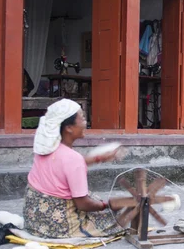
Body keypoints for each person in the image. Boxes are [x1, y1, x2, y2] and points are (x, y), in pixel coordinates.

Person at [23, 99, 125, 239]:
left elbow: (65, 166)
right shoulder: (72, 158)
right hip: (58, 227)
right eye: (82, 118)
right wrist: (106, 206)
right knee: (119, 218)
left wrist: (99, 158)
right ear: (69, 128)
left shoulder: (45, 149)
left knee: (92, 197)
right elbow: (83, 204)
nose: (85, 123)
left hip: (34, 221)